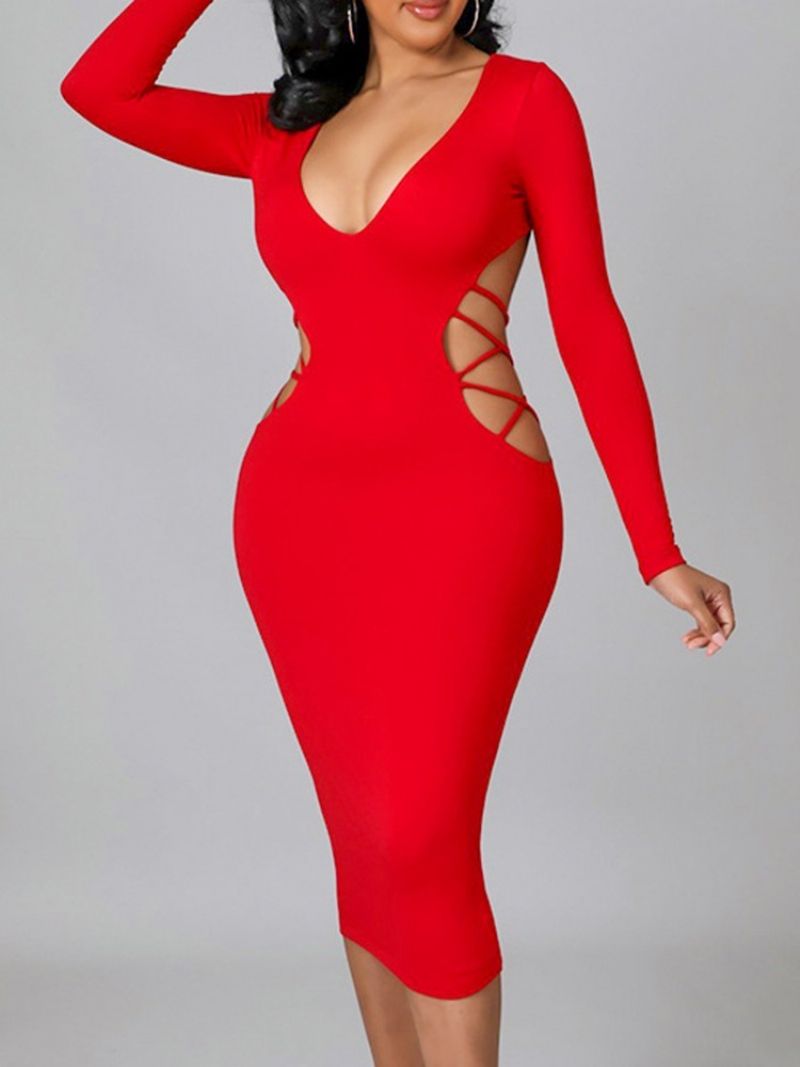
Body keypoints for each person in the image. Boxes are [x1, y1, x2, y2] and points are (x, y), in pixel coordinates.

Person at [60, 1, 735, 1063]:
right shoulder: (279, 124)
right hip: (295, 517)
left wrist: (656, 545)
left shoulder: (524, 102)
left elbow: (587, 314)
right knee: (367, 842)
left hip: (470, 506)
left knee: (421, 836)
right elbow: (98, 89)